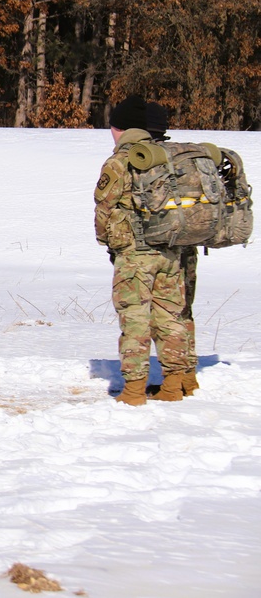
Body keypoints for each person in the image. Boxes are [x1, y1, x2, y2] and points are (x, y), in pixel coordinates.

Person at [94, 96, 194, 405]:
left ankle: (134, 391)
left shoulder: (121, 160)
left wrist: (109, 242)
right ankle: (174, 384)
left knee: (135, 319)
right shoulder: (167, 155)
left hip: (135, 256)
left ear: (121, 128)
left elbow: (104, 209)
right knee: (170, 316)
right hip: (170, 253)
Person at [146, 101, 200, 396]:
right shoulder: (185, 157)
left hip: (163, 250)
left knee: (164, 315)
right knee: (184, 311)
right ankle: (188, 378)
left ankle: (172, 383)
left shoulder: (148, 159)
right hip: (188, 246)